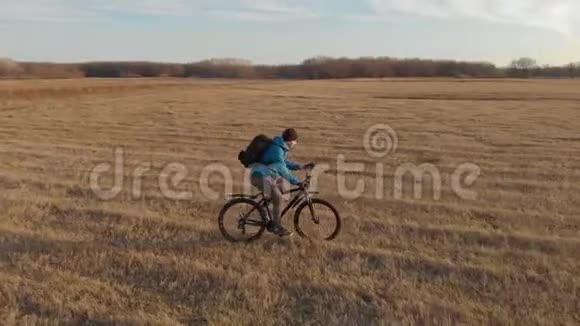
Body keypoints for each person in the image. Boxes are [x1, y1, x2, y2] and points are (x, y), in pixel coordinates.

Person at [250, 128, 312, 237]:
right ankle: (276, 226)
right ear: (291, 141)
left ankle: (264, 211)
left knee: (283, 188)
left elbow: (284, 163)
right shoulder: (277, 150)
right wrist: (297, 182)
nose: (296, 144)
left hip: (267, 176)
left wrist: (300, 166)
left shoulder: (280, 148)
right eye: (295, 141)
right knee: (277, 197)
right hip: (259, 176)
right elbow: (283, 170)